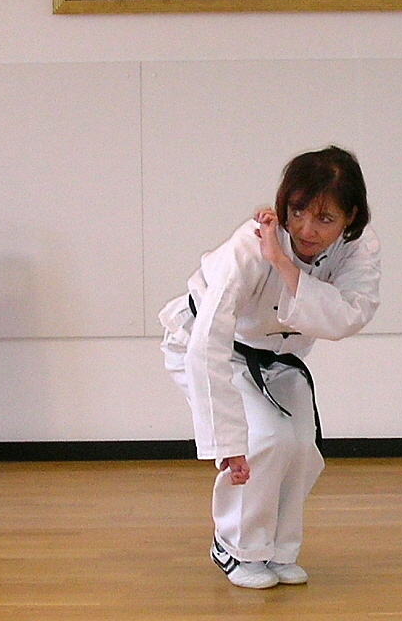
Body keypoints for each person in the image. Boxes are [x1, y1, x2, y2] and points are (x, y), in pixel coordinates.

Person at [159, 145, 381, 589]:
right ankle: (236, 547)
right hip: (207, 345)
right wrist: (227, 441)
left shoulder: (358, 248)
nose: (306, 229)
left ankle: (276, 550)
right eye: (297, 212)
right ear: (284, 203)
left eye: (326, 219)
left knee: (301, 447)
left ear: (351, 218)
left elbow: (346, 317)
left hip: (278, 358)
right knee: (264, 439)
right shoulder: (251, 242)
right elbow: (209, 339)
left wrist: (282, 263)